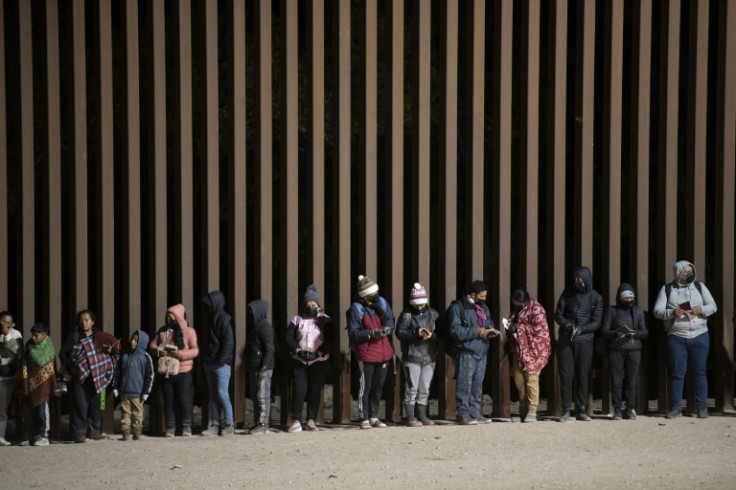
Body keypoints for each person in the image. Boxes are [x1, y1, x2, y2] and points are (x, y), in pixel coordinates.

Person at [653, 260, 717, 419]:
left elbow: (713, 306)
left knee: (700, 372)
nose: (690, 274)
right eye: (686, 272)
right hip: (676, 336)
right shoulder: (667, 289)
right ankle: (676, 408)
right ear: (678, 273)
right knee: (677, 373)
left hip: (700, 334)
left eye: (691, 271)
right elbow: (657, 311)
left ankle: (702, 408)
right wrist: (672, 312)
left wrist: (700, 309)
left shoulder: (700, 287)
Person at [447, 280, 498, 425]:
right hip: (467, 352)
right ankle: (462, 415)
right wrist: (475, 331)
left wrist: (491, 330)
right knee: (464, 386)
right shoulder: (458, 308)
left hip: (482, 351)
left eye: (485, 296)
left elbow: (488, 322)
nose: (484, 299)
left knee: (477, 385)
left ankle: (475, 414)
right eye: (481, 296)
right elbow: (455, 331)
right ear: (472, 294)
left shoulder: (483, 307)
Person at [554, 266, 602, 422]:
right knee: (566, 376)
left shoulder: (596, 297)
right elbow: (558, 314)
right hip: (566, 340)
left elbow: (597, 322)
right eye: (575, 279)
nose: (577, 282)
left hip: (585, 341)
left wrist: (582, 328)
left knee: (582, 376)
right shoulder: (567, 294)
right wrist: (567, 325)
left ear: (586, 280)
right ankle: (566, 410)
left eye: (580, 279)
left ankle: (581, 409)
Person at [347, 275, 395, 429]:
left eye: (376, 293)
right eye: (372, 295)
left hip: (383, 351)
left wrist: (388, 328)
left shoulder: (382, 302)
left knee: (378, 386)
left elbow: (390, 319)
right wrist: (371, 333)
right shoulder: (356, 308)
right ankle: (364, 417)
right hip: (366, 352)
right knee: (365, 386)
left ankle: (374, 416)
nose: (375, 296)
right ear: (365, 296)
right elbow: (353, 333)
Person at [63, 310, 119, 442]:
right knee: (80, 405)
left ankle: (94, 431)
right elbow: (64, 354)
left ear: (92, 322)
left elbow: (109, 352)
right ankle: (79, 433)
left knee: (98, 404)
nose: (84, 322)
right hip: (80, 377)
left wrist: (110, 351)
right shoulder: (74, 336)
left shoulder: (100, 336)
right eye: (81, 320)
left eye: (87, 320)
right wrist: (72, 367)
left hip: (99, 376)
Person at [286, 284, 332, 433]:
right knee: (299, 390)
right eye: (308, 305)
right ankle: (296, 420)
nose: (311, 307)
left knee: (314, 390)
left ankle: (311, 420)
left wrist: (318, 353)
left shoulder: (325, 320)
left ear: (318, 306)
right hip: (300, 360)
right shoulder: (297, 320)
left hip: (318, 360)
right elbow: (289, 338)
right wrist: (298, 351)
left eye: (313, 304)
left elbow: (331, 340)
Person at [149, 305, 199, 437]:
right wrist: (159, 350)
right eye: (167, 317)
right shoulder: (162, 331)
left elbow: (195, 350)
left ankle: (186, 427)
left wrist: (180, 354)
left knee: (183, 400)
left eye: (172, 318)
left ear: (179, 318)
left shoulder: (189, 331)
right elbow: (152, 345)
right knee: (168, 401)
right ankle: (170, 427)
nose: (169, 320)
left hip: (183, 371)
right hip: (167, 371)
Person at [600, 283, 648, 420]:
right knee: (616, 380)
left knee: (632, 381)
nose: (628, 300)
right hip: (616, 349)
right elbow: (603, 331)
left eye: (630, 297)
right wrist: (615, 333)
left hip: (634, 349)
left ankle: (630, 408)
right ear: (619, 298)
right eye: (625, 298)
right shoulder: (612, 310)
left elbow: (645, 332)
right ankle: (617, 409)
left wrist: (634, 333)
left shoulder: (638, 311)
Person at [395, 283, 439, 427]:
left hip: (429, 355)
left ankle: (422, 415)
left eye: (421, 304)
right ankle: (411, 417)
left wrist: (431, 336)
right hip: (412, 356)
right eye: (416, 304)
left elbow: (441, 335)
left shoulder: (433, 314)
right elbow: (399, 333)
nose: (419, 307)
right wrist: (415, 333)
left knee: (424, 387)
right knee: (411, 387)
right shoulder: (406, 315)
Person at [506, 289, 551, 423]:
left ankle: (532, 411)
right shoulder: (518, 309)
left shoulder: (537, 310)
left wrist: (518, 328)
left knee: (531, 380)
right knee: (519, 381)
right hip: (519, 350)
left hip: (534, 351)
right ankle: (523, 410)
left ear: (523, 301)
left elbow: (539, 330)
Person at [200, 291, 235, 437]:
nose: (206, 307)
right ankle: (215, 424)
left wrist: (221, 360)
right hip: (210, 362)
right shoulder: (209, 318)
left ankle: (229, 424)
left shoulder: (224, 319)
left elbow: (228, 342)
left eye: (209, 304)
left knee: (222, 393)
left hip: (220, 364)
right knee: (213, 396)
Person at [19, 323, 57, 446]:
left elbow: (46, 362)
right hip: (30, 382)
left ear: (44, 335)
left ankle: (43, 435)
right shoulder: (29, 345)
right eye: (32, 335)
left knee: (42, 411)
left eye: (36, 335)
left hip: (44, 384)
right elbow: (24, 361)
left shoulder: (48, 346)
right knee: (29, 410)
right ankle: (30, 435)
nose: (33, 338)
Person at [112, 330, 154, 440]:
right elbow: (117, 372)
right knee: (125, 414)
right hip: (125, 392)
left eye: (136, 340)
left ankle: (137, 433)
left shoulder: (145, 357)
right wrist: (115, 387)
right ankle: (125, 433)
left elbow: (149, 376)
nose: (133, 342)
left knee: (137, 414)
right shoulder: (124, 356)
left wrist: (146, 392)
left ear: (142, 342)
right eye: (132, 339)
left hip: (138, 393)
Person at [245, 299, 274, 434]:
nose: (250, 314)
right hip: (255, 368)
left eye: (252, 311)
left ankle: (262, 424)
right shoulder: (255, 327)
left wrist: (263, 367)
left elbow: (269, 350)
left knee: (262, 397)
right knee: (256, 397)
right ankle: (258, 422)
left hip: (263, 369)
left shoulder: (265, 328)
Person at [0, 312, 22, 445]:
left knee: (3, 407)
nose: (5, 324)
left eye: (8, 322)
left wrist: (6, 334)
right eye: (2, 321)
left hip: (7, 375)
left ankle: (1, 435)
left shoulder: (16, 334)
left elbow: (14, 350)